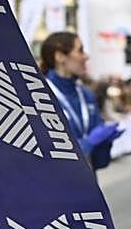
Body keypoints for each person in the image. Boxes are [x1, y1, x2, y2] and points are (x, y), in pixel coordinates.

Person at [40, 31, 121, 170]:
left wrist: (105, 143)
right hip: (55, 186)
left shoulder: (86, 94)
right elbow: (49, 154)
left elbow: (100, 162)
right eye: (80, 51)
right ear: (60, 56)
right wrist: (88, 143)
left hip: (89, 184)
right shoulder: (41, 96)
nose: (86, 57)